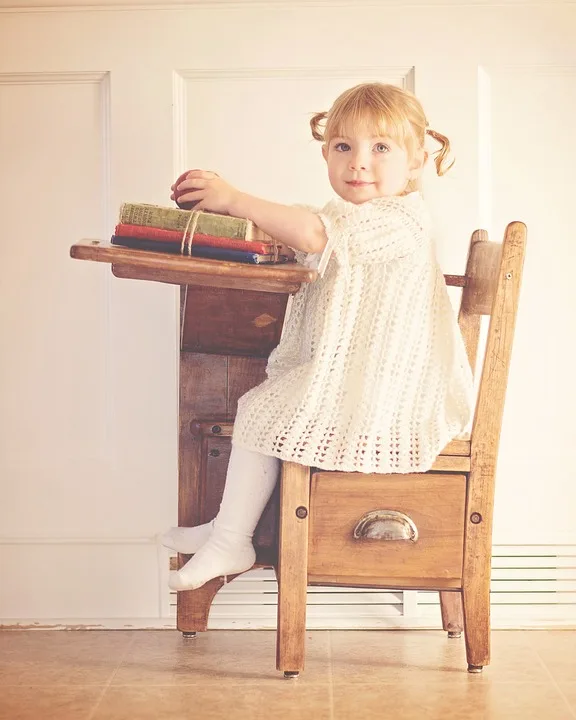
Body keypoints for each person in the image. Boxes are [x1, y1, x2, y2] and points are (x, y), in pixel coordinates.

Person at [161, 82, 474, 592]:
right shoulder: (345, 215)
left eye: (381, 148)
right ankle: (226, 531)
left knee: (264, 409)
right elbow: (305, 233)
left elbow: (313, 237)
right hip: (358, 376)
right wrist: (237, 218)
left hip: (389, 390)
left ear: (416, 160)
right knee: (259, 405)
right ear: (326, 152)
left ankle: (230, 540)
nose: (359, 163)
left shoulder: (402, 221)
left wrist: (237, 197)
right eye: (343, 147)